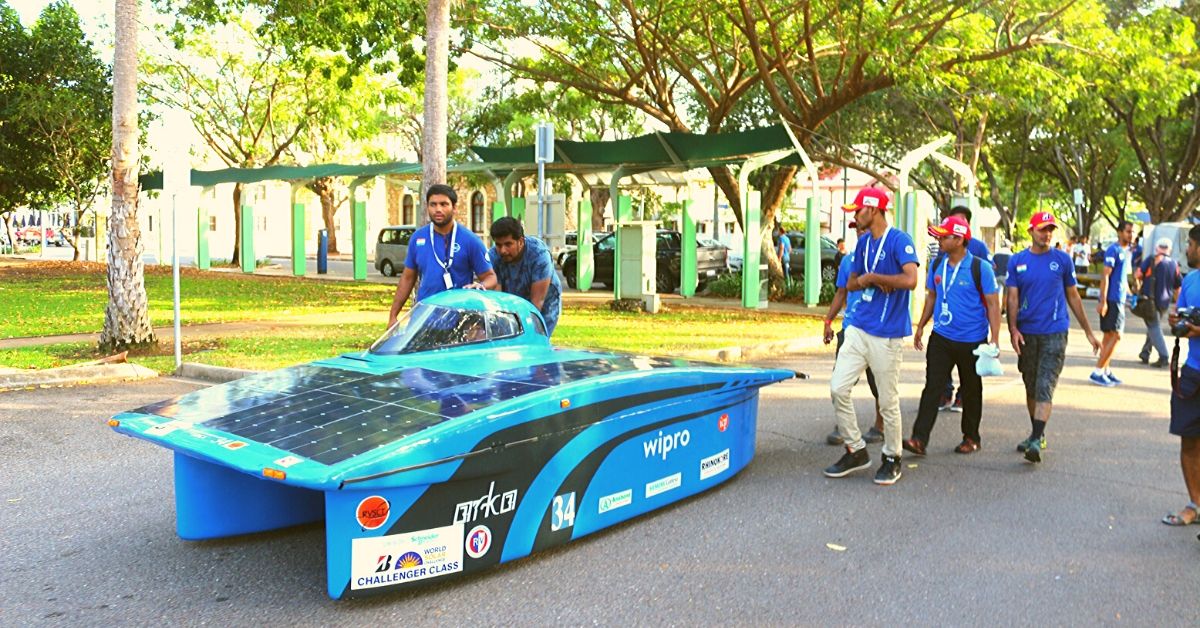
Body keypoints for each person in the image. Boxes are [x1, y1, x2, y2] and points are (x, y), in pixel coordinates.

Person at [824, 187, 919, 486]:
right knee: (838, 388)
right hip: (858, 328)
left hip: (887, 335)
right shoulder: (864, 243)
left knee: (888, 401)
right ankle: (856, 449)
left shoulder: (899, 240)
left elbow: (912, 279)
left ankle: (893, 456)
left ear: (875, 209)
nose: (855, 215)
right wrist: (872, 280)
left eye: (859, 210)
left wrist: (877, 278)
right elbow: (852, 283)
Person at [1006, 211, 1101, 463]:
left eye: (1050, 230)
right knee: (1031, 385)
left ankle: (1036, 439)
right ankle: (1037, 433)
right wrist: (1013, 329)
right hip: (1027, 333)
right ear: (1031, 231)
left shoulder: (1062, 261)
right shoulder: (1017, 261)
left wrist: (1090, 332)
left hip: (1054, 332)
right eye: (1042, 229)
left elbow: (1073, 297)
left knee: (1044, 384)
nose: (1047, 234)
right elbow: (1012, 298)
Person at [904, 216, 1001, 456]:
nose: (939, 239)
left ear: (959, 240)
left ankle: (971, 437)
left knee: (971, 389)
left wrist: (995, 338)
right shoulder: (938, 265)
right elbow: (932, 297)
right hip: (941, 338)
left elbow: (993, 304)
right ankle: (919, 439)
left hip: (972, 340)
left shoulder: (981, 268)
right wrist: (921, 325)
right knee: (932, 388)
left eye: (944, 236)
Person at [387, 184, 496, 327]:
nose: (438, 209)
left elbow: (491, 277)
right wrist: (393, 315)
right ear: (427, 208)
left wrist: (480, 286)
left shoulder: (470, 240)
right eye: (433, 204)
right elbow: (407, 277)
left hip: (459, 319)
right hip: (424, 317)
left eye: (444, 204)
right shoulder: (418, 238)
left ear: (454, 207)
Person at [821, 220, 883, 446]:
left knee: (879, 384)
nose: (860, 232)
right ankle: (843, 425)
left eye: (864, 228)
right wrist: (828, 320)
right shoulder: (848, 261)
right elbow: (841, 293)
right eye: (857, 229)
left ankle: (880, 426)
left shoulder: (885, 260)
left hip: (876, 331)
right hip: (850, 328)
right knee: (841, 380)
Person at [938, 205, 994, 413]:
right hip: (945, 323)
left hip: (972, 324)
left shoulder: (978, 248)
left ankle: (963, 396)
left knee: (969, 372)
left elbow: (989, 287)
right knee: (941, 363)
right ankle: (945, 392)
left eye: (959, 220)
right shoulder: (943, 245)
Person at [1162, 224, 1200, 527]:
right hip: (1193, 373)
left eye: (1189, 244)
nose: (1186, 249)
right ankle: (1195, 504)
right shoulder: (1190, 281)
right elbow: (1181, 318)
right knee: (1189, 441)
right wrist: (1177, 320)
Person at [488, 216, 562, 335]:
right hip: (512, 297)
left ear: (521, 242)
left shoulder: (539, 255)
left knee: (535, 340)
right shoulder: (493, 256)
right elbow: (498, 299)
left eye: (508, 244)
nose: (503, 251)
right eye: (498, 245)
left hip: (544, 302)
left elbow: (537, 303)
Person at [1091, 220, 1135, 386]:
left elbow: (1121, 278)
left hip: (1120, 298)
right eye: (1128, 231)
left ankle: (1105, 369)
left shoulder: (1125, 251)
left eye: (1132, 232)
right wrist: (1103, 301)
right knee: (1116, 335)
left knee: (1109, 335)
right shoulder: (1113, 250)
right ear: (1119, 232)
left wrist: (1130, 294)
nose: (1130, 235)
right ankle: (1098, 371)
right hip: (1112, 299)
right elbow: (1106, 276)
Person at [1135, 238, 1182, 368]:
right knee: (1152, 325)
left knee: (1154, 327)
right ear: (1170, 249)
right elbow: (1178, 287)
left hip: (1150, 300)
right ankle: (1145, 353)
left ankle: (1164, 356)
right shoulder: (1174, 264)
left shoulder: (1152, 260)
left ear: (1157, 248)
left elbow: (1138, 274)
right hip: (1165, 302)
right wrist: (1178, 306)